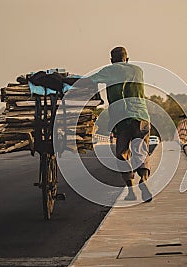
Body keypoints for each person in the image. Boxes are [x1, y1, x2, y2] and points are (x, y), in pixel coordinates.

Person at [65, 47, 152, 202]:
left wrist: (64, 80)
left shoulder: (110, 70)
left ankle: (131, 191)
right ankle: (143, 180)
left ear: (112, 60)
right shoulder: (137, 70)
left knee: (122, 155)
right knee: (141, 152)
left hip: (121, 119)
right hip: (141, 116)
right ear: (127, 58)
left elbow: (87, 81)